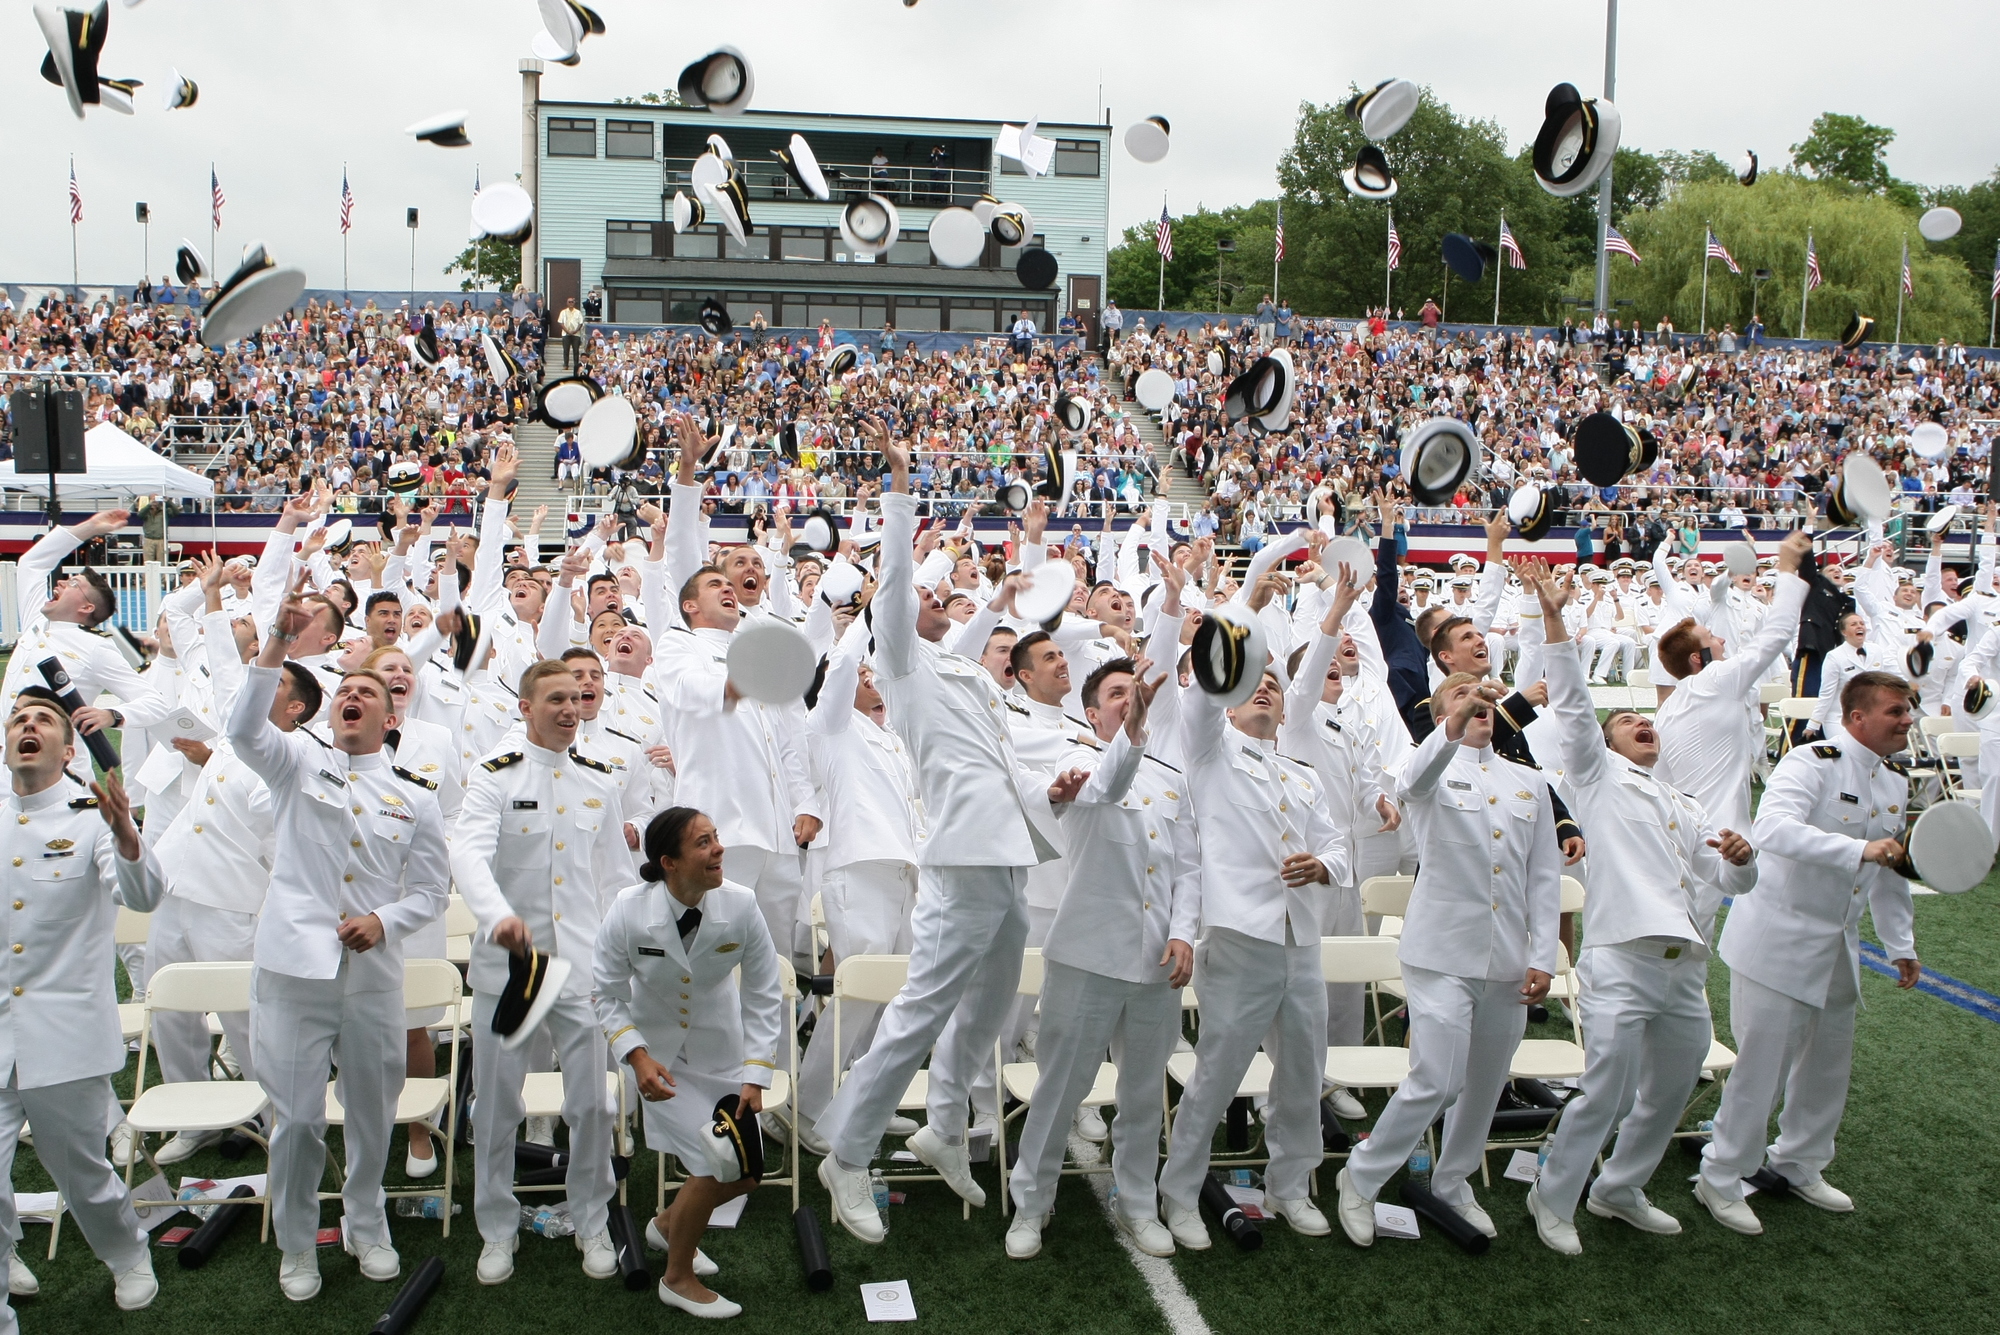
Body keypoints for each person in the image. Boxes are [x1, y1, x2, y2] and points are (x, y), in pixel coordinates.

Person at [814, 418, 1075, 1244]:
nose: (931, 603)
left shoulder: (976, 679)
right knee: (921, 1010)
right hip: (962, 855)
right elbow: (895, 593)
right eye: (927, 600)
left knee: (992, 1000)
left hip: (1009, 854)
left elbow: (1007, 770)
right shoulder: (903, 664)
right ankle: (847, 1154)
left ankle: (944, 1123)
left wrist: (1053, 789)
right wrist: (900, 493)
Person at [1514, 561, 1756, 1254]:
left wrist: (1744, 859)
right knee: (1608, 1091)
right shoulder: (1594, 776)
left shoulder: (1684, 802)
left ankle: (1619, 1188)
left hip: (1684, 963)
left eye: (1646, 719)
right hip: (1621, 954)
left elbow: (1728, 881)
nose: (1640, 724)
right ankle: (1552, 1194)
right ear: (1605, 743)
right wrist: (1555, 619)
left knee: (1670, 1090)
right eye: (1626, 721)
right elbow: (1572, 702)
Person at [227, 573, 450, 1301]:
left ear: (390, 718)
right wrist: (278, 641)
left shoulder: (414, 797)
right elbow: (243, 730)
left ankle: (366, 1220)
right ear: (331, 712)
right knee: (295, 1120)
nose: (352, 696)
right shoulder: (296, 763)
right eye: (345, 691)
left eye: (368, 694)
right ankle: (298, 1242)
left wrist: (385, 921)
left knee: (371, 1111)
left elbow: (430, 893)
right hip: (294, 973)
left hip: (372, 978)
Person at [1335, 671, 1560, 1246]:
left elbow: (1542, 876)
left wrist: (1542, 954)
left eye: (1481, 693)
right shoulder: (1427, 766)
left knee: (1484, 1083)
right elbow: (1411, 782)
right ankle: (1360, 1176)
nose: (1476, 698)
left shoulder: (1529, 782)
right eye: (1460, 694)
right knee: (1436, 1079)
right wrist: (1454, 724)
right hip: (1440, 953)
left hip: (1507, 957)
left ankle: (1453, 1180)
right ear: (1441, 717)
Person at [1696, 670, 1920, 1234]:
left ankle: (1799, 1162)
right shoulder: (1811, 762)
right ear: (1857, 717)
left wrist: (1901, 944)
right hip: (1779, 941)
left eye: (1908, 709)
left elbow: (1889, 872)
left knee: (1826, 1068)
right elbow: (1772, 829)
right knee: (1761, 1072)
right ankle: (1720, 1176)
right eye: (1895, 711)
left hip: (1837, 948)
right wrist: (1859, 848)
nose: (1908, 720)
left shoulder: (1894, 780)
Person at [1006, 657, 1196, 1259]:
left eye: (1134, 691)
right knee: (1061, 1089)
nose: (1129, 697)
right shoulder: (1078, 763)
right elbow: (1108, 785)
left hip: (1155, 961)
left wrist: (1184, 932)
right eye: (1117, 693)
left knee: (1142, 1093)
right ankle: (1031, 1202)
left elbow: (1190, 867)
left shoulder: (1171, 778)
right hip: (1087, 956)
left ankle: (1136, 1200)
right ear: (1091, 714)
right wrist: (1132, 732)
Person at [1157, 651, 1348, 1248]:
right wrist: (1235, 651)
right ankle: (1180, 1190)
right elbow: (1197, 709)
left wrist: (1323, 866)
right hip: (1240, 937)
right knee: (1219, 1071)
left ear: (1286, 710)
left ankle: (1289, 1185)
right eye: (1251, 686)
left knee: (1304, 1070)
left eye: (1273, 686)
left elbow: (1337, 843)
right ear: (1230, 706)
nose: (1264, 691)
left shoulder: (1303, 775)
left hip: (1301, 938)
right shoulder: (1210, 756)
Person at [450, 659, 629, 1285]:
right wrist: (496, 915)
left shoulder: (599, 779)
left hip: (580, 967)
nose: (570, 708)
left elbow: (616, 879)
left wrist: (621, 956)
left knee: (592, 1104)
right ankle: (497, 1227)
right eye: (555, 699)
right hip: (514, 968)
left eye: (576, 698)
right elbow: (468, 854)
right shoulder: (494, 776)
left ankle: (591, 1218)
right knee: (497, 1107)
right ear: (525, 707)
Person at [0, 692, 164, 1316]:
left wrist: (126, 834)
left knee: (82, 1174)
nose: (28, 726)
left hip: (62, 1035)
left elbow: (143, 897)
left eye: (43, 720)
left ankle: (126, 1253)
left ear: (69, 752)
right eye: (18, 720)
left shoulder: (92, 820)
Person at [594, 807, 783, 1318]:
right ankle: (677, 1279)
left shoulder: (741, 904)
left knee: (747, 1173)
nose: (718, 848)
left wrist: (755, 1073)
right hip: (658, 1063)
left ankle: (664, 1226)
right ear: (669, 862)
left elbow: (764, 993)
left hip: (722, 1055)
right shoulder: (628, 910)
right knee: (711, 1163)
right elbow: (605, 993)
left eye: (715, 837)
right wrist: (636, 1057)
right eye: (703, 842)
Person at [557, 297, 585, 367]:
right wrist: (567, 331)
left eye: (572, 302)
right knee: (566, 350)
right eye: (569, 302)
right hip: (565, 333)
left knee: (576, 350)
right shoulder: (563, 312)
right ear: (567, 303)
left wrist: (575, 331)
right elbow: (560, 322)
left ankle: (576, 365)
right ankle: (566, 364)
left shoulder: (578, 312)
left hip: (576, 334)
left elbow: (580, 323)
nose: (571, 303)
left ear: (574, 303)